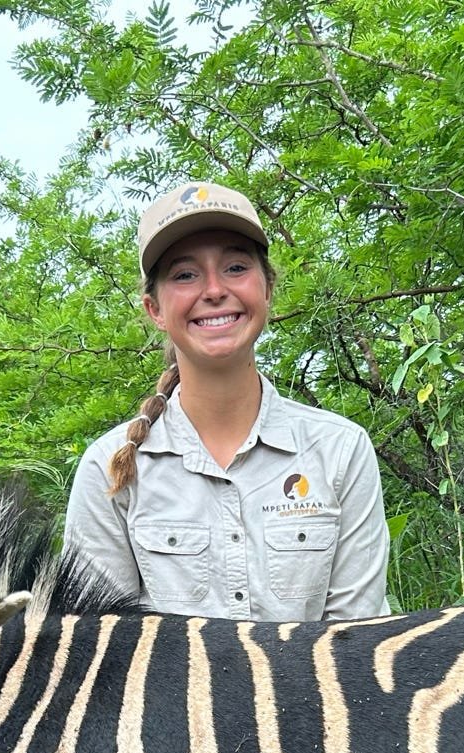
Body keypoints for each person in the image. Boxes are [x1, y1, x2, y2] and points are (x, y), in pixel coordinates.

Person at [64, 181, 390, 620]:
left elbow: (357, 642)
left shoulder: (340, 450)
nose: (214, 289)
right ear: (154, 309)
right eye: (185, 275)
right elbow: (99, 649)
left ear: (268, 289)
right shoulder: (109, 466)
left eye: (236, 267)